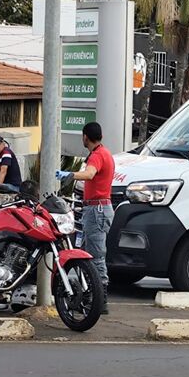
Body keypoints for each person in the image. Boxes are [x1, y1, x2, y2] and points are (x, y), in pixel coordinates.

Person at [55, 122, 115, 314]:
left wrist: (70, 175)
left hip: (97, 210)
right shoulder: (104, 153)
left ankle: (100, 300)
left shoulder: (97, 155)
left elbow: (89, 174)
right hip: (98, 209)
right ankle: (93, 296)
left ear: (85, 137)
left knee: (96, 256)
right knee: (90, 253)